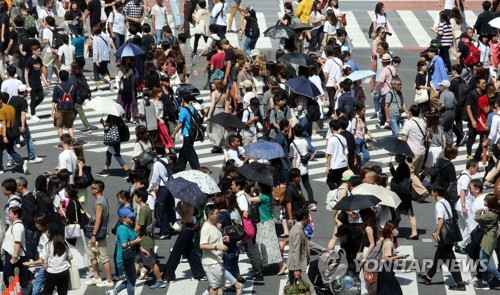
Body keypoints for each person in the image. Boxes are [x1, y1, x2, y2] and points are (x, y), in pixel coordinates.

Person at [417, 184, 466, 291]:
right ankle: (428, 277)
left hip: (444, 235)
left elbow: (441, 220)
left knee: (450, 260)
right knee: (438, 257)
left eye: (431, 191)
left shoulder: (439, 204)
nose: (430, 193)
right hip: (450, 234)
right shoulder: (445, 201)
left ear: (436, 192)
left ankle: (460, 283)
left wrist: (437, 233)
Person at [162, 200, 205, 282]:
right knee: (191, 252)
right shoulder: (185, 203)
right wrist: (179, 209)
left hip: (187, 229)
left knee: (176, 252)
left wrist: (179, 209)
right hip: (188, 228)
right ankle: (200, 274)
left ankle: (168, 275)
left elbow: (185, 218)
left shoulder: (189, 204)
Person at [249, 184, 287, 276]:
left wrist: (248, 193)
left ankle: (282, 265)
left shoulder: (264, 197)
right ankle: (262, 265)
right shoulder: (268, 195)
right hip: (265, 223)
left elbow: (249, 200)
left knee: (269, 246)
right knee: (262, 244)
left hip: (265, 224)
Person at [133, 188, 166, 289]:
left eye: (135, 196)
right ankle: (131, 280)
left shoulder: (143, 210)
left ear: (140, 198)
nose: (134, 198)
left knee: (151, 263)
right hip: (144, 240)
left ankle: (160, 280)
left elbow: (140, 224)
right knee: (136, 259)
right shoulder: (146, 208)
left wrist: (131, 234)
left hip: (145, 242)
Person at [85, 180, 113, 288]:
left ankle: (109, 280)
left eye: (92, 188)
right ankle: (96, 277)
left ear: (98, 190)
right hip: (96, 234)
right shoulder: (101, 200)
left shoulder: (100, 203)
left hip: (98, 235)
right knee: (92, 256)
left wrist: (93, 235)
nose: (91, 189)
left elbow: (98, 221)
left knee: (103, 257)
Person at [110, 207, 143, 295]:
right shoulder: (123, 229)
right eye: (129, 217)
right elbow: (124, 245)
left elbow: (135, 236)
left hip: (129, 257)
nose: (132, 218)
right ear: (123, 218)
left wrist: (141, 249)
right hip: (124, 259)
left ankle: (115, 291)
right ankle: (115, 291)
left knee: (131, 279)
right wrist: (136, 242)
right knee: (131, 281)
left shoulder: (127, 227)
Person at [8, 84, 43, 164]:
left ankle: (10, 160)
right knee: (29, 139)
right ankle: (32, 157)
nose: (27, 93)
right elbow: (23, 114)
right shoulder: (23, 101)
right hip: (20, 124)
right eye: (26, 91)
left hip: (12, 124)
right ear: (24, 92)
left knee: (11, 142)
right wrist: (23, 125)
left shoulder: (12, 98)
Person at [401, 105, 428, 202]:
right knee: (416, 172)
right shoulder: (422, 121)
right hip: (421, 151)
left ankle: (422, 191)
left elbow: (404, 139)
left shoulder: (408, 123)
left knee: (410, 173)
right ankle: (415, 194)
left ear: (410, 112)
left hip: (412, 152)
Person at [288, 207, 316, 295]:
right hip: (297, 265)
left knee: (290, 286)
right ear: (304, 217)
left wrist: (323, 249)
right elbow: (296, 250)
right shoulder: (297, 231)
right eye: (308, 217)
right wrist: (297, 269)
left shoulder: (299, 228)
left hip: (294, 264)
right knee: (310, 287)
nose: (309, 219)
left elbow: (307, 242)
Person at [474, 194, 500, 289]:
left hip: (488, 240)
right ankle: (484, 282)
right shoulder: (492, 212)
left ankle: (498, 276)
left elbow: (477, 218)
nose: (484, 200)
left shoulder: (490, 214)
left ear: (489, 202)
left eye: (485, 199)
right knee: (484, 261)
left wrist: (480, 210)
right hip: (488, 239)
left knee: (483, 263)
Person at [376, 221, 408, 295]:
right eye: (396, 229)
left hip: (385, 271)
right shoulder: (388, 243)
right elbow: (387, 259)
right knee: (395, 292)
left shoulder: (387, 240)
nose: (397, 231)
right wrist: (400, 256)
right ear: (391, 230)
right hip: (386, 271)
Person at [39, 223, 71, 295]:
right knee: (62, 292)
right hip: (64, 271)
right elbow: (70, 257)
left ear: (50, 232)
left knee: (47, 292)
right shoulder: (64, 242)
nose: (45, 232)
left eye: (46, 230)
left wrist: (46, 261)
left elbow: (43, 258)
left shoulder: (48, 245)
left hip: (52, 272)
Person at [2, 206, 30, 288]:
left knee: (11, 277)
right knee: (11, 277)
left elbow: (17, 242)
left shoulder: (17, 226)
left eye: (10, 213)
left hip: (15, 256)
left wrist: (15, 256)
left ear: (16, 215)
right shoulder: (15, 224)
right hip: (12, 255)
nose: (8, 215)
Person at [454, 160, 478, 254]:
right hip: (464, 206)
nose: (476, 171)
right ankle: (460, 245)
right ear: (471, 167)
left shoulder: (462, 175)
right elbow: (462, 192)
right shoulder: (466, 178)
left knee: (462, 226)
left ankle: (458, 243)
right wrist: (464, 206)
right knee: (471, 226)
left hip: (459, 205)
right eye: (476, 169)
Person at [171, 95, 200, 170]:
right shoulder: (192, 108)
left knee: (190, 152)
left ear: (183, 100)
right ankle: (180, 164)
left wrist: (173, 134)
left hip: (187, 133)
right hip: (193, 132)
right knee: (184, 150)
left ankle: (196, 167)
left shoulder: (183, 110)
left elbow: (180, 124)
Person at [290, 126, 316, 209]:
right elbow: (307, 152)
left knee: (297, 187)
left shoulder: (293, 144)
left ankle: (302, 203)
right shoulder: (305, 141)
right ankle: (312, 202)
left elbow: (293, 158)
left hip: (297, 168)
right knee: (307, 185)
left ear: (294, 132)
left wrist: (294, 170)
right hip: (305, 167)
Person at [51, 70, 76, 139]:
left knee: (59, 126)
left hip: (60, 109)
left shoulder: (57, 87)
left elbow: (54, 100)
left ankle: (62, 142)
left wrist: (52, 110)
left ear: (60, 77)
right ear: (68, 76)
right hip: (70, 108)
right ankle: (72, 137)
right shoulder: (72, 86)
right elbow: (75, 98)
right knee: (69, 126)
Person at [68, 62, 92, 133]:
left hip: (76, 97)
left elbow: (71, 88)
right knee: (75, 111)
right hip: (82, 96)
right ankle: (68, 124)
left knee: (80, 111)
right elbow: (86, 85)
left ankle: (87, 126)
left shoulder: (72, 77)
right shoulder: (82, 76)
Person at [325, 119, 348, 190]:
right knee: (339, 181)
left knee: (329, 181)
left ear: (331, 128)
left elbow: (329, 154)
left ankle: (336, 193)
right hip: (343, 164)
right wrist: (347, 164)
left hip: (335, 165)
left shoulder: (331, 140)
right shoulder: (343, 138)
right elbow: (346, 153)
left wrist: (327, 166)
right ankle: (341, 193)